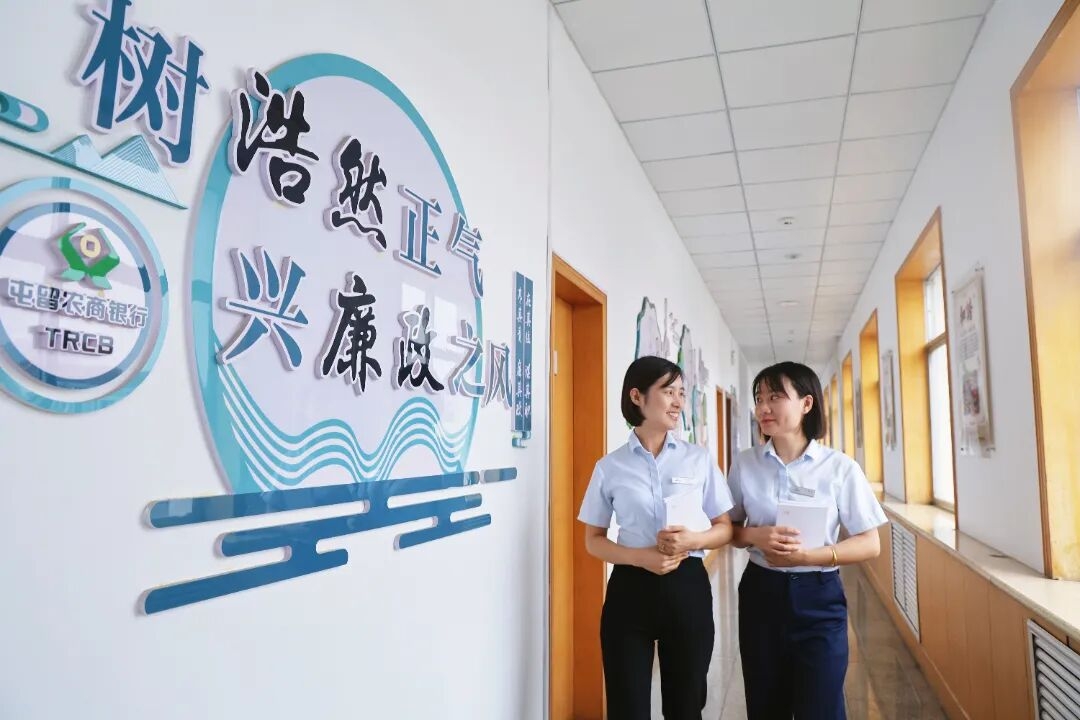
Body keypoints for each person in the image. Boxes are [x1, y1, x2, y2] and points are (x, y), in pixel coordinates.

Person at [728, 361, 887, 720]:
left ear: (806, 403)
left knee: (822, 706)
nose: (763, 407)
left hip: (819, 596)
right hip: (761, 593)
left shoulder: (839, 468)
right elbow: (730, 530)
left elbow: (869, 543)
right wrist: (756, 535)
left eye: (775, 397)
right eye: (758, 398)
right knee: (765, 705)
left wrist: (810, 557)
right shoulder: (745, 464)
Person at [578, 355, 734, 720]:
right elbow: (593, 539)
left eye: (681, 392)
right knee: (627, 705)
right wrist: (641, 557)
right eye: (668, 391)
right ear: (637, 396)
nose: (678, 402)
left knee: (685, 705)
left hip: (687, 587)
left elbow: (725, 527)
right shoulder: (610, 467)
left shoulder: (698, 460)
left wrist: (693, 541)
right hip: (629, 592)